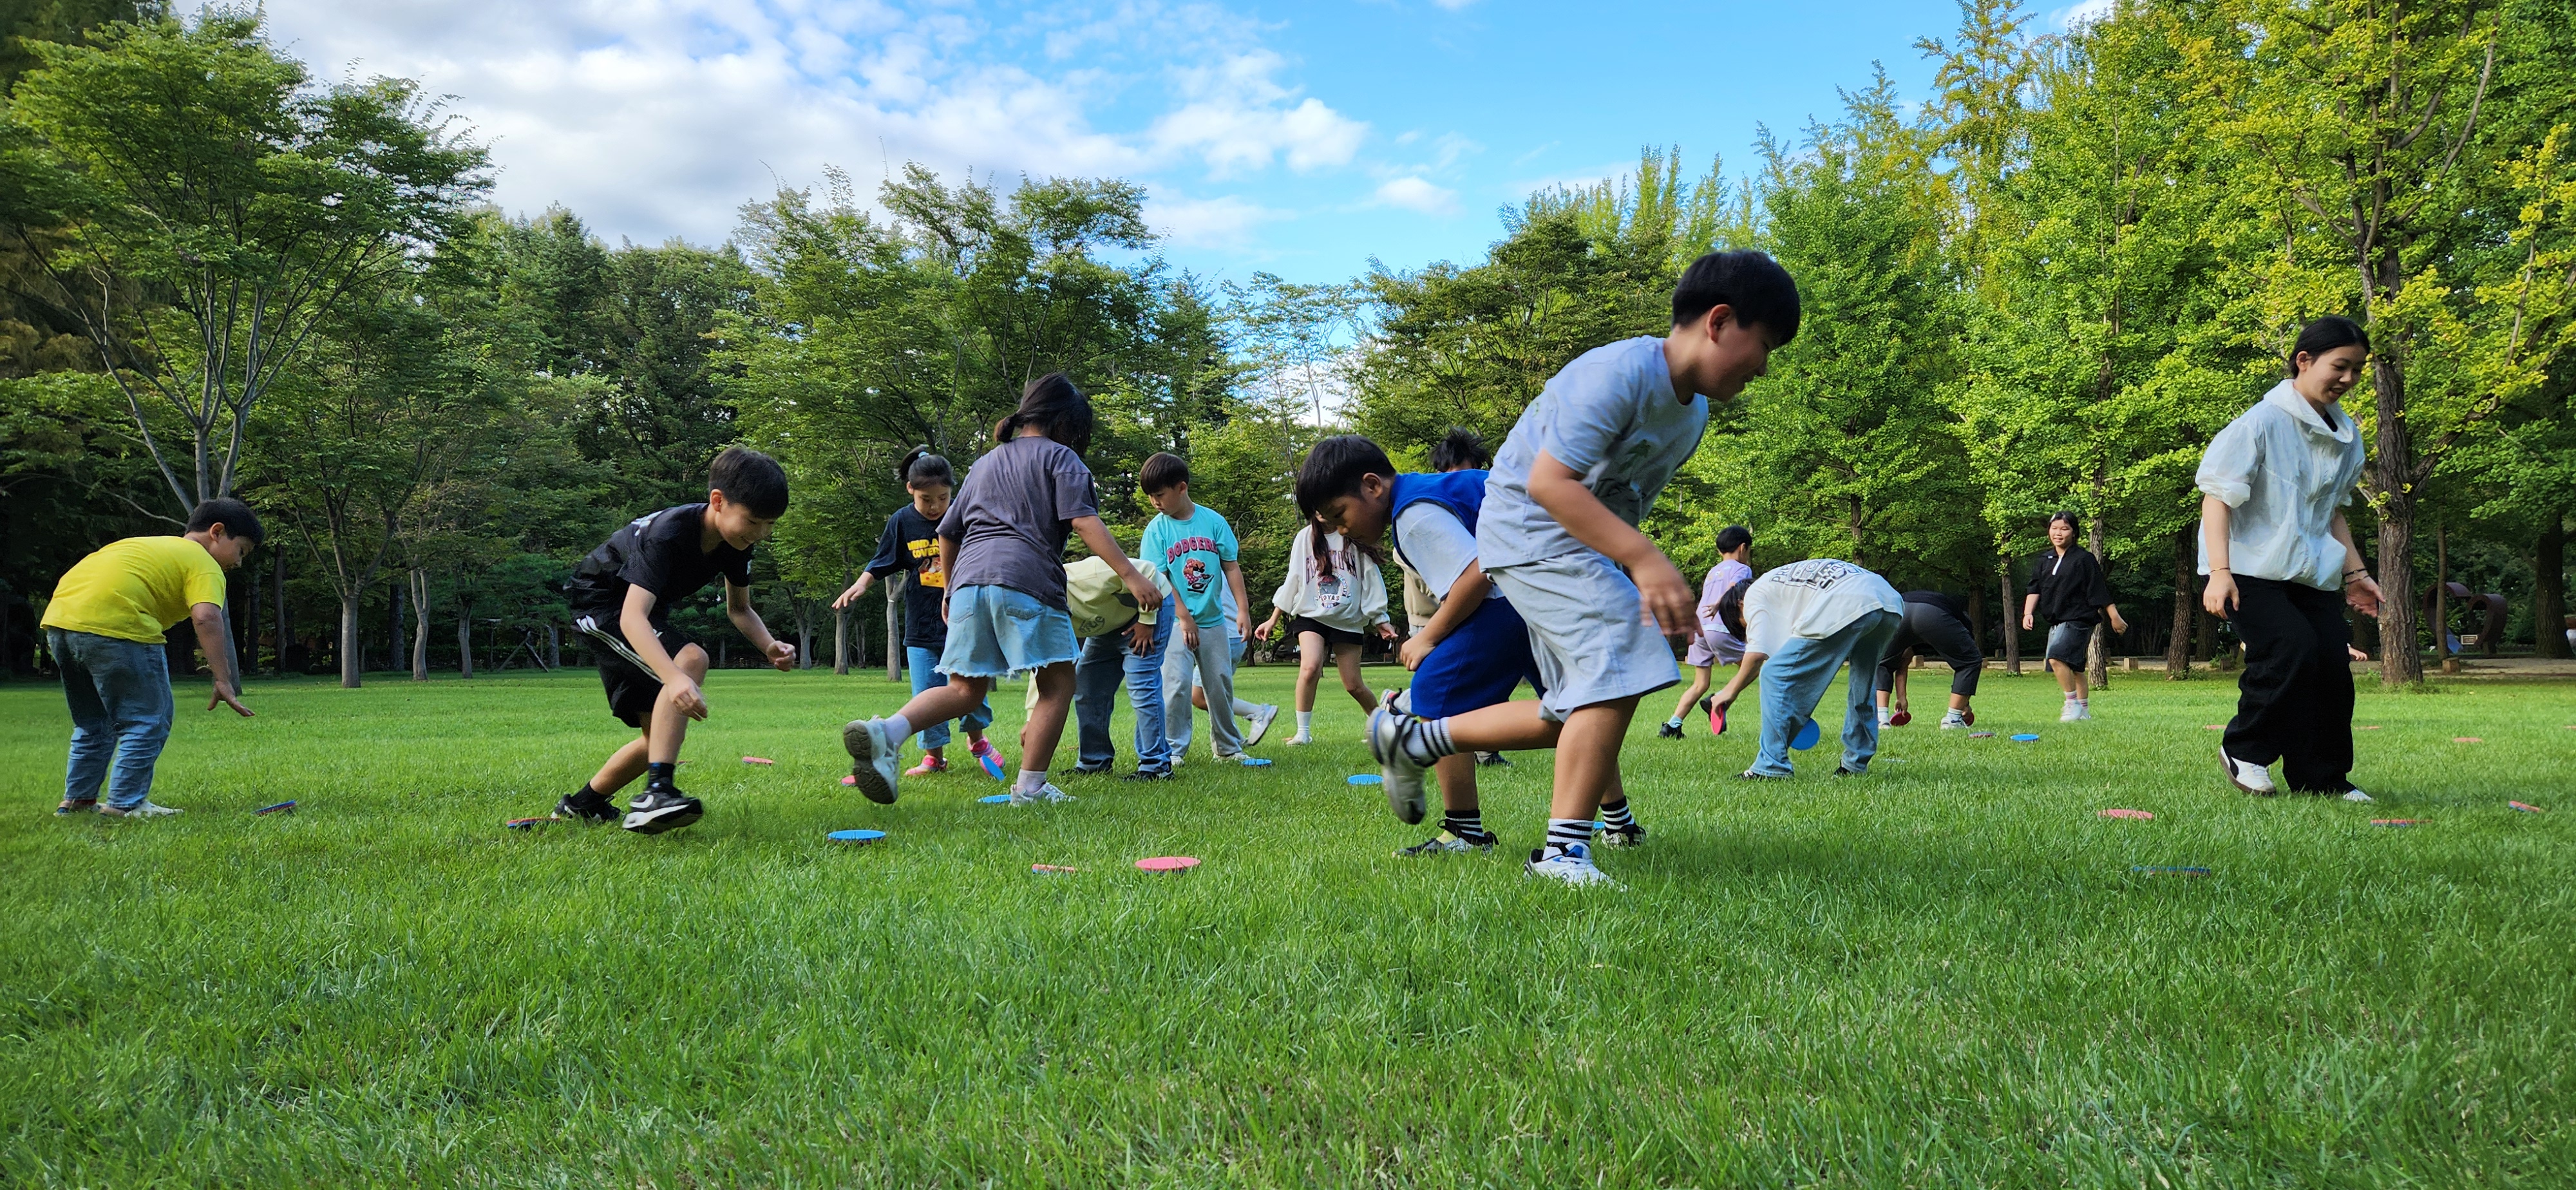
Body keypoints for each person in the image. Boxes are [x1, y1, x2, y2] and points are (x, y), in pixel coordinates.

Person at [1367, 249, 1801, 886]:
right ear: (1718, 321)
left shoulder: (1692, 415)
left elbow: (1619, 503)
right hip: (1527, 531)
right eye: (1763, 346)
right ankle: (1561, 853)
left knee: (1577, 706)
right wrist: (1644, 560)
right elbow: (1548, 484)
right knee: (1622, 659)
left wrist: (1629, 565)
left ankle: (1415, 739)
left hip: (1572, 548)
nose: (1762, 368)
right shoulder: (1617, 374)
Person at [844, 375, 1159, 806]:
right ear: (1065, 422)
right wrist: (1131, 575)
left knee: (964, 690)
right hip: (1027, 578)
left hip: (969, 583)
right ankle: (1030, 788)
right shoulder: (1062, 458)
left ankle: (888, 731)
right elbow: (1084, 521)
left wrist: (951, 590)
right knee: (1058, 684)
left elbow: (948, 533)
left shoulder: (985, 464)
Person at [1300, 435, 1539, 856]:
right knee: (1582, 707)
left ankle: (1423, 756)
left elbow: (1475, 576)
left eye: (1341, 515)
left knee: (1436, 697)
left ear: (1372, 486)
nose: (1343, 530)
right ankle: (1619, 822)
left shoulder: (1411, 516)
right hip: (1548, 588)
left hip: (1519, 597)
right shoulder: (1425, 492)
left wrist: (1428, 636)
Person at [562, 447, 795, 833]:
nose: (761, 533)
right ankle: (657, 794)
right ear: (718, 502)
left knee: (658, 736)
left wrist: (769, 645)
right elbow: (631, 617)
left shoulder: (736, 543)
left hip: (639, 614)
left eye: (770, 524)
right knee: (692, 660)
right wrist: (673, 678)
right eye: (754, 521)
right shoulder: (667, 534)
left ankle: (583, 805)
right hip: (599, 606)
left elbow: (739, 609)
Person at [2199, 314, 2382, 802]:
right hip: (2247, 568)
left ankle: (2322, 778)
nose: (2348, 378)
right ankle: (2245, 751)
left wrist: (2357, 575)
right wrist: (2219, 573)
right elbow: (2217, 498)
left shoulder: (2347, 436)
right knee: (2290, 648)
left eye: (2357, 370)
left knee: (2331, 666)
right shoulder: (2260, 424)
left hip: (2311, 571)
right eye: (2339, 366)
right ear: (2304, 360)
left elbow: (2331, 512)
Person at [41, 498, 262, 818]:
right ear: (217, 532)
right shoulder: (203, 562)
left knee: (93, 723)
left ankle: (79, 800)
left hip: (61, 625)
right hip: (120, 626)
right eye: (241, 550)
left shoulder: (147, 545)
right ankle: (126, 804)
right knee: (147, 720)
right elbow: (206, 617)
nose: (239, 563)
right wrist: (222, 679)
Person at [831, 448, 1007, 782]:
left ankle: (978, 741)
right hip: (922, 622)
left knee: (969, 686)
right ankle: (934, 758)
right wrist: (861, 584)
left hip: (964, 618)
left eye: (943, 498)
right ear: (910, 489)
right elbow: (883, 560)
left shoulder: (964, 515)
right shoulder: (903, 521)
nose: (935, 506)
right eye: (926, 499)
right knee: (926, 691)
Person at [1710, 558, 1904, 779]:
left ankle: (1772, 766)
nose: (1751, 628)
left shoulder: (1753, 594)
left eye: (1744, 625)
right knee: (1863, 683)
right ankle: (1855, 764)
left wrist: (1729, 692)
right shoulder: (1781, 588)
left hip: (1846, 601)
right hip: (1888, 601)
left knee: (1772, 673)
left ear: (1740, 606)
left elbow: (1757, 656)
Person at [1140, 452, 1258, 764]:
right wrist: (1183, 616)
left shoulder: (1213, 522)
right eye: (1150, 496)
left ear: (1181, 488)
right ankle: (1172, 750)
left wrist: (1243, 610)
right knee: (1177, 685)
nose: (1155, 502)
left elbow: (1231, 567)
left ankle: (1228, 748)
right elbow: (1161, 578)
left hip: (1212, 619)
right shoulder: (1157, 531)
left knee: (1219, 684)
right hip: (1174, 620)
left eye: (1159, 495)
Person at [1257, 520, 1394, 744]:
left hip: (1348, 619)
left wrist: (1381, 619)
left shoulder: (1352, 536)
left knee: (1354, 686)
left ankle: (1384, 725)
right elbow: (1294, 578)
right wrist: (1273, 619)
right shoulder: (1305, 537)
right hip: (1311, 615)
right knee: (1310, 667)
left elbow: (1371, 578)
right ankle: (1303, 733)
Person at [1046, 551, 1176, 779]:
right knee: (1087, 686)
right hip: (1108, 623)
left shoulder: (1089, 577)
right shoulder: (1043, 612)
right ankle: (1094, 761)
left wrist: (1147, 622)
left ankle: (1156, 766)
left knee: (1142, 685)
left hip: (1150, 608)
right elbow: (1047, 666)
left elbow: (1148, 572)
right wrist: (1033, 719)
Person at [2022, 512, 2128, 721]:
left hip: (2079, 619)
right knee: (2075, 667)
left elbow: (2099, 589)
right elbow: (2034, 588)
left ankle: (2072, 705)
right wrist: (2028, 613)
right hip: (2057, 620)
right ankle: (2084, 712)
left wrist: (2114, 616)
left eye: (2064, 529)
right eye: (2054, 528)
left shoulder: (2084, 559)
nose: (2058, 533)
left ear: (2074, 532)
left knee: (2056, 658)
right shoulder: (2044, 560)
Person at [1660, 525, 1754, 738]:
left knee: (1700, 684)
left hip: (1700, 629)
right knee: (1753, 668)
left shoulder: (1713, 572)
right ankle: (1718, 699)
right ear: (1743, 548)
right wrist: (1720, 604)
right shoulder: (1742, 569)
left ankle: (1672, 726)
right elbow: (1733, 590)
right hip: (1720, 627)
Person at [1183, 580, 1282, 752]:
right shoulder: (1217, 567)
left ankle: (1257, 713)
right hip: (1232, 633)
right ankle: (1231, 738)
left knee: (1202, 696)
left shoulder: (1201, 568)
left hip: (1224, 633)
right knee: (1210, 694)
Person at [1873, 591, 1983, 729]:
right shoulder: (1963, 621)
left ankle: (1881, 719)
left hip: (1899, 611)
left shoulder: (1915, 632)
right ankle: (1953, 720)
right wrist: (1964, 704)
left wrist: (1901, 697)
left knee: (1884, 664)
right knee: (1971, 661)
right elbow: (1967, 666)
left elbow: (1903, 660)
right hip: (1932, 614)